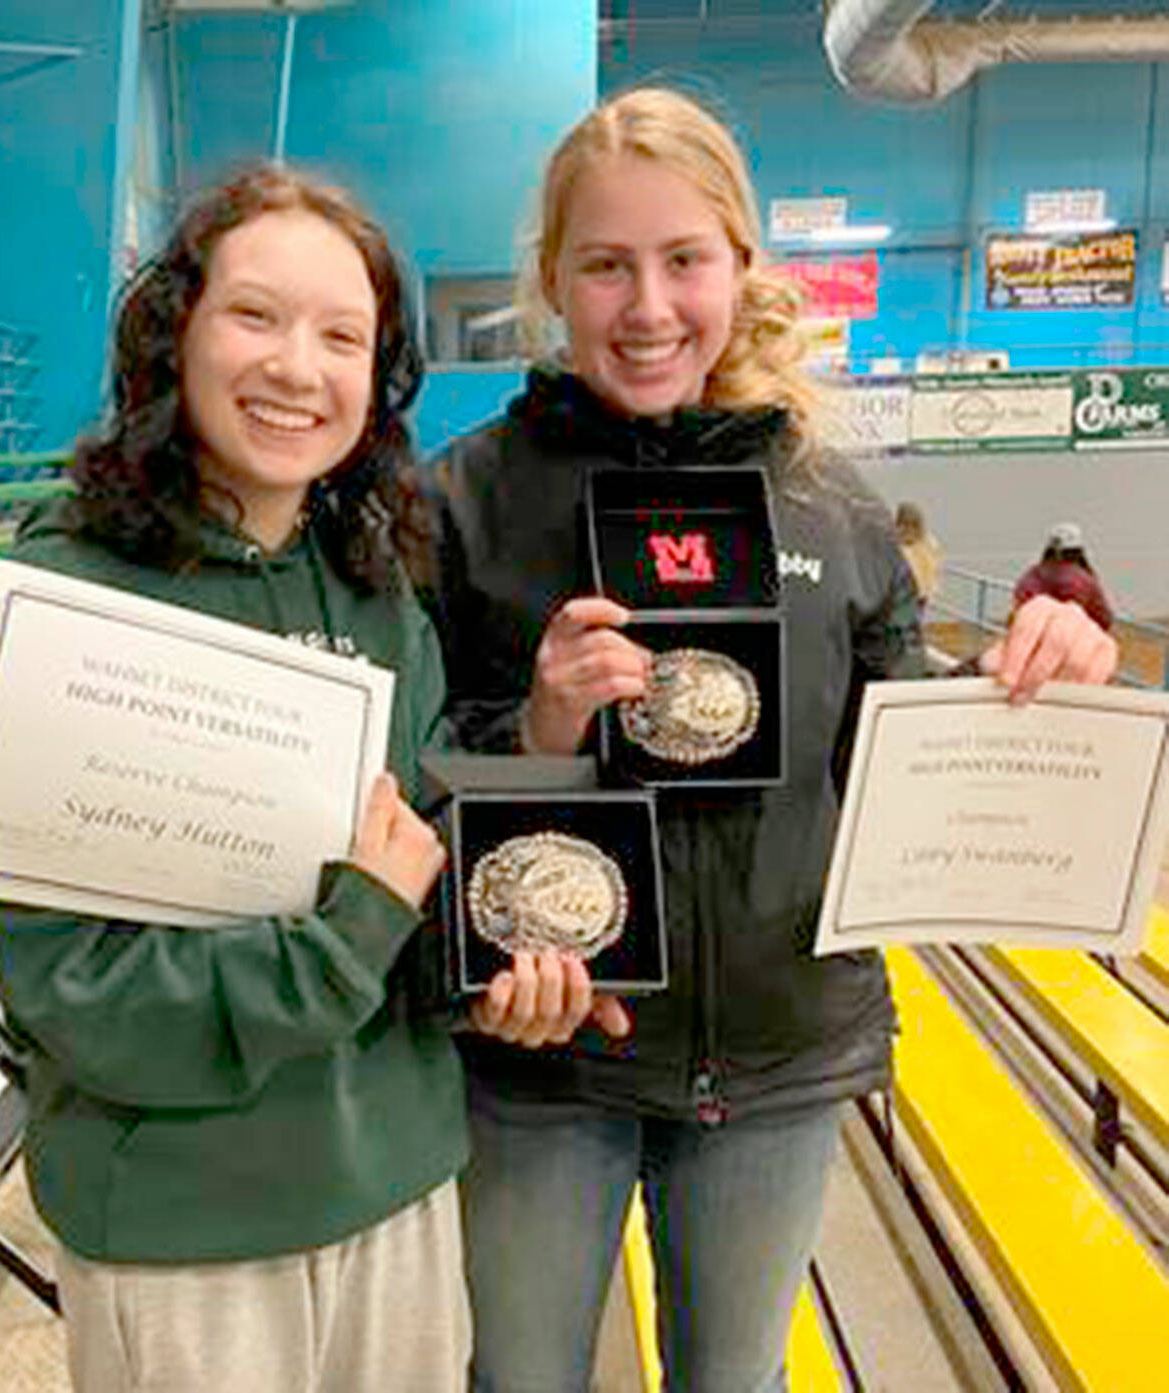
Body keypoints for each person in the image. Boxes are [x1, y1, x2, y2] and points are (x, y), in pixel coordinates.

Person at [420, 88, 1117, 1393]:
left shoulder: (831, 505)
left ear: (740, 267)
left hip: (780, 1053)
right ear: (553, 282)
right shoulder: (463, 498)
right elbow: (408, 773)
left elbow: (901, 747)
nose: (648, 306)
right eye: (607, 265)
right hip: (546, 1058)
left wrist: (1037, 680)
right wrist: (541, 722)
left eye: (684, 260)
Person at [0, 166, 470, 1393]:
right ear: (173, 334)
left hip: (395, 1192)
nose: (299, 368)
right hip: (181, 1227)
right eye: (255, 315)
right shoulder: (66, 597)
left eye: (342, 334)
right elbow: (71, 984)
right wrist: (347, 937)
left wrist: (501, 965)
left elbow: (416, 873)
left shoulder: (375, 590)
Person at [1013, 521, 1114, 631]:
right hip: (1073, 639)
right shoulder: (1085, 580)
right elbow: (1103, 618)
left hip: (1032, 636)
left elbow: (1020, 604)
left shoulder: (1032, 574)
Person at [894, 500, 943, 615]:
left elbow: (934, 568)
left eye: (913, 525)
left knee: (913, 623)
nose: (909, 529)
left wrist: (930, 592)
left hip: (920, 594)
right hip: (900, 596)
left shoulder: (928, 543)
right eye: (905, 524)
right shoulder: (893, 544)